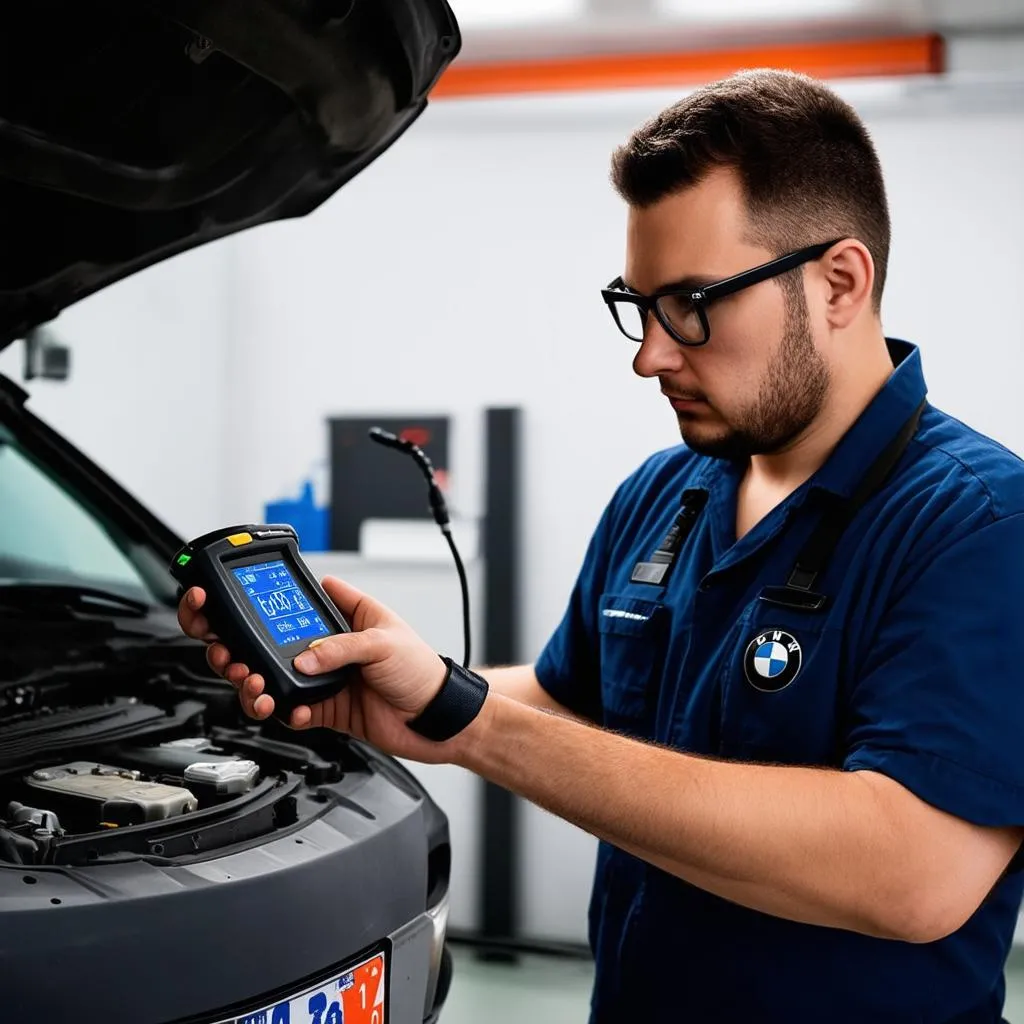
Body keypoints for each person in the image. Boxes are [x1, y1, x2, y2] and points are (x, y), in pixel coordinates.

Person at [179, 69, 1024, 1022]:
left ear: (839, 282)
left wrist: (476, 725)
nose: (651, 355)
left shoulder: (978, 525)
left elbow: (915, 875)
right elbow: (571, 698)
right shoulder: (664, 495)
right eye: (640, 304)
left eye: (695, 303)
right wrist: (409, 689)